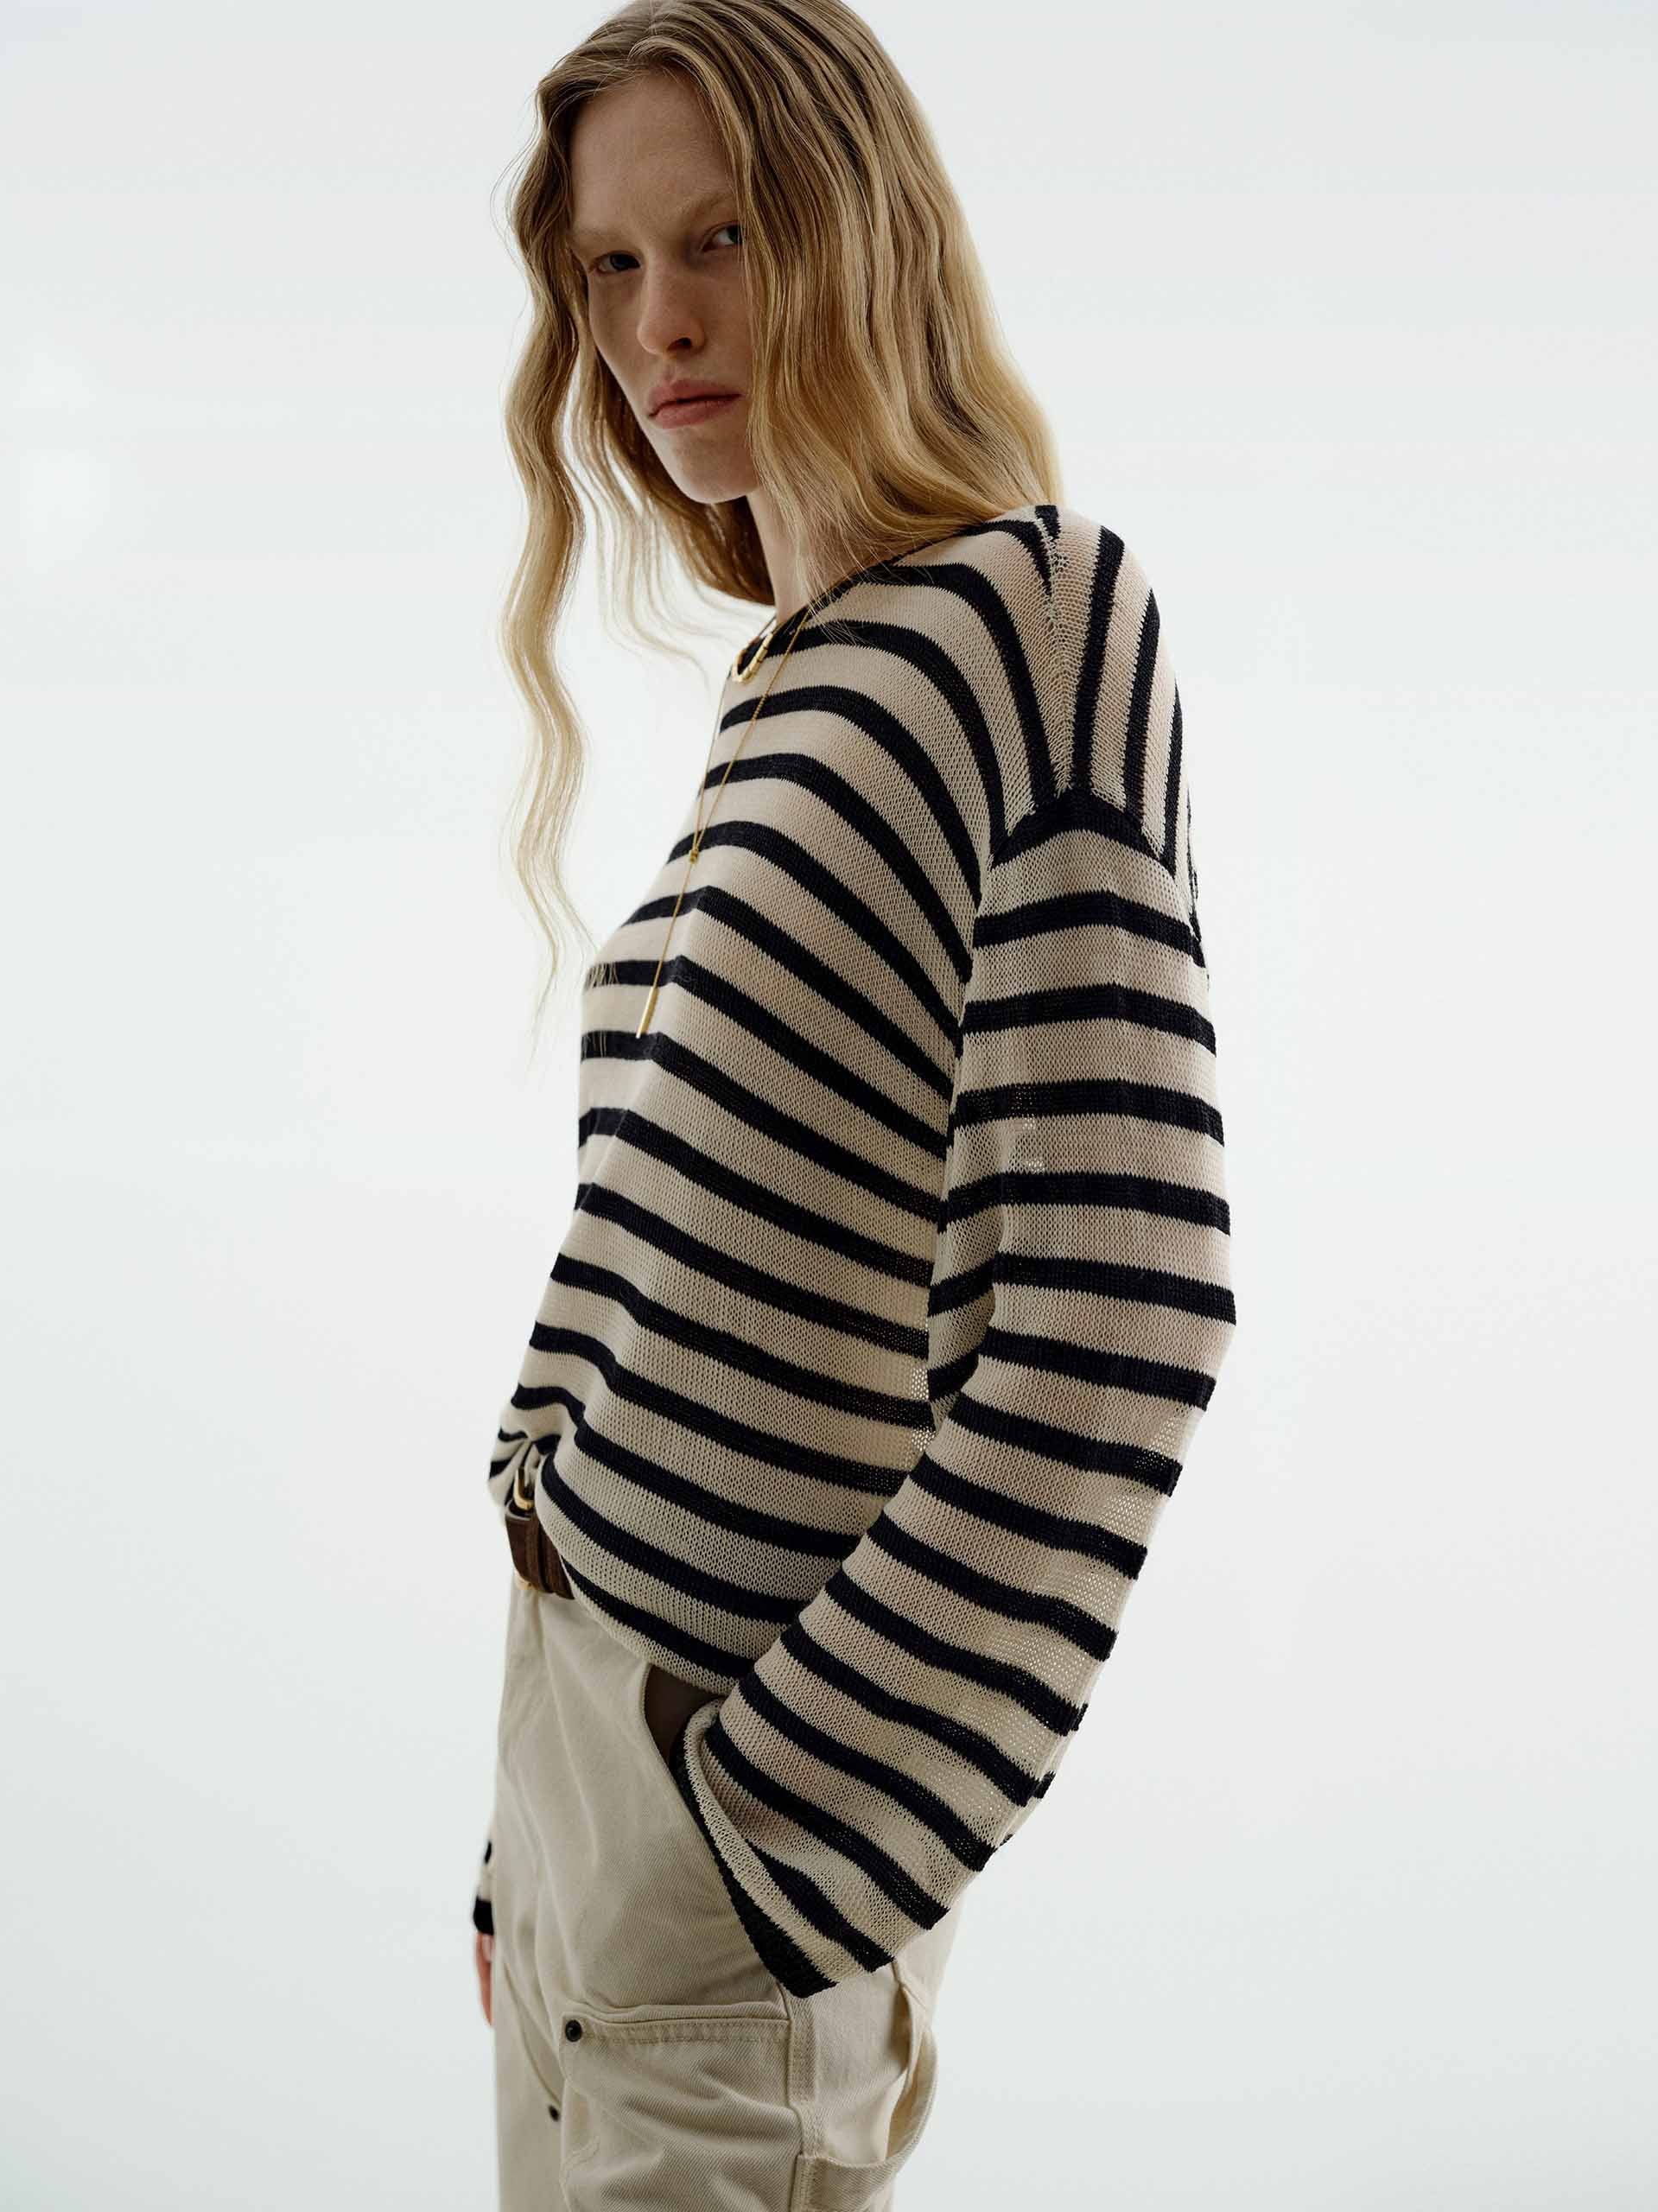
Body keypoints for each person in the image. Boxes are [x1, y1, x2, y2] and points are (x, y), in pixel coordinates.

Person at [469, 3, 1239, 2204]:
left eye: (718, 237)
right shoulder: (796, 675)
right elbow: (666, 1265)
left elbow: (1119, 1312)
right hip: (584, 1777)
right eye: (609, 269)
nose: (657, 324)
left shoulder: (1037, 614)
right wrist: (543, 1840)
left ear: (859, 232)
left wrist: (769, 1842)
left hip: (735, 1851)